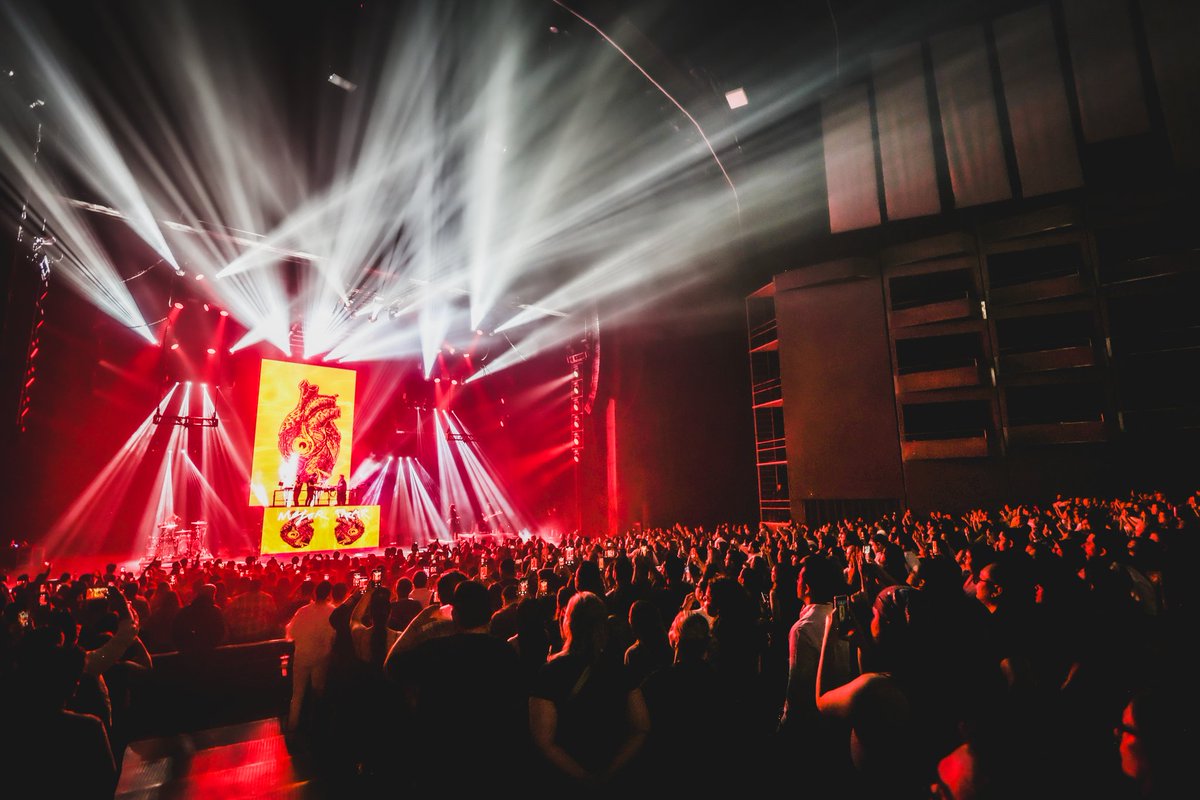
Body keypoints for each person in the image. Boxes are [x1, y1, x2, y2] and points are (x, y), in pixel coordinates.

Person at [529, 592, 649, 793]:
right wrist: (609, 772)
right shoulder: (619, 669)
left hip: (564, 780)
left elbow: (543, 740)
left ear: (568, 624)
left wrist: (583, 777)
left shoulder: (550, 672)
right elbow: (642, 726)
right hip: (613, 773)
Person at [284, 580, 335, 731]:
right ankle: (316, 726)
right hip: (321, 658)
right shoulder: (332, 612)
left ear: (314, 593)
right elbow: (332, 637)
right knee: (318, 692)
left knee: (297, 694)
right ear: (329, 594)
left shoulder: (303, 611)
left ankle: (293, 727)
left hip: (302, 655)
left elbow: (290, 634)